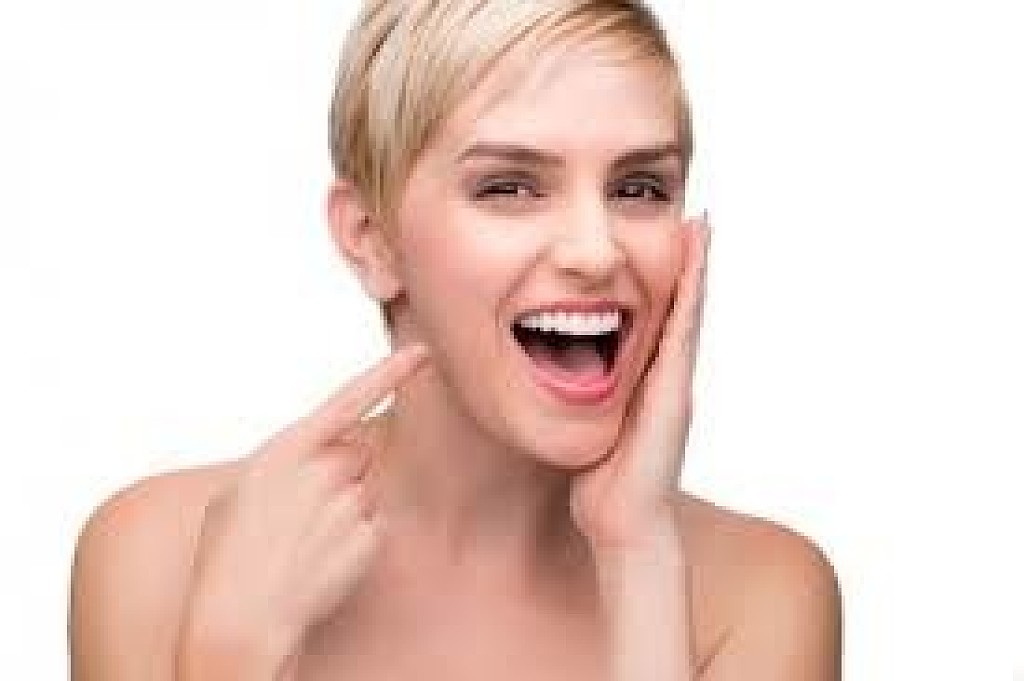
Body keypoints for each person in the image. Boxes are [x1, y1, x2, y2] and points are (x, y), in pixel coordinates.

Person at [68, 0, 842, 678]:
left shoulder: (761, 594)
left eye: (638, 188)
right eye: (509, 186)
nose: (596, 250)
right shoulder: (158, 558)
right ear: (371, 239)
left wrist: (638, 557)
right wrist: (230, 658)